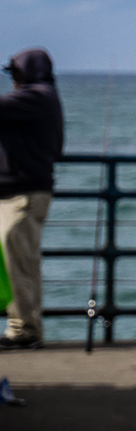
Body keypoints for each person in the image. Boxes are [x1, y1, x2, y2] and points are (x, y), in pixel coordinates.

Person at [0, 47, 64, 349]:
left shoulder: (35, 96)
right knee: (20, 262)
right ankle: (24, 326)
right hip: (21, 192)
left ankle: (25, 329)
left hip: (23, 194)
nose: (13, 80)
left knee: (19, 262)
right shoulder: (43, 98)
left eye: (15, 73)